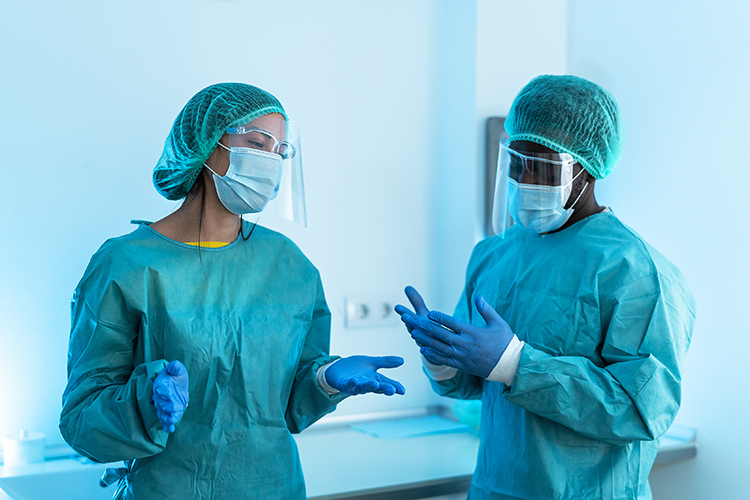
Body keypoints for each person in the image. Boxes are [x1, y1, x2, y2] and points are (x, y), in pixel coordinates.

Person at [60, 82, 405, 500]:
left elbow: (283, 407)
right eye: (257, 144)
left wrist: (325, 378)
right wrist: (144, 401)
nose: (271, 162)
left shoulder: (288, 265)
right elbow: (82, 418)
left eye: (279, 153)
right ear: (207, 146)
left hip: (274, 487)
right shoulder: (127, 265)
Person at [396, 75, 695, 500]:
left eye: (538, 165)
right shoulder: (494, 254)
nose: (522, 177)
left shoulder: (638, 273)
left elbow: (640, 410)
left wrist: (518, 364)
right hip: (494, 488)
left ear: (585, 169)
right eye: (515, 162)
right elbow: (473, 386)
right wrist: (443, 360)